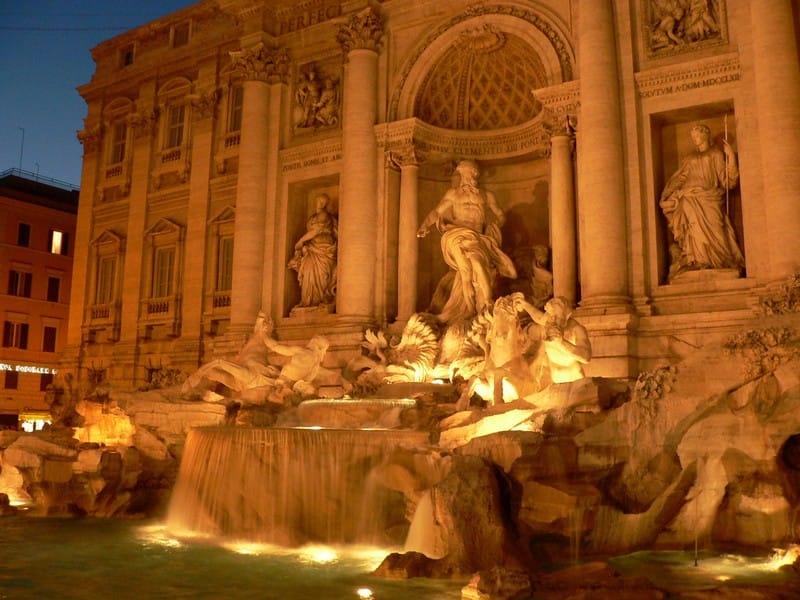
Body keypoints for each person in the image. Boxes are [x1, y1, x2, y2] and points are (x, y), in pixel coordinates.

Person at [417, 160, 517, 323]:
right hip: (457, 234)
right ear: (463, 174)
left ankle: (487, 303)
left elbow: (500, 215)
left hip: (477, 238)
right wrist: (424, 225)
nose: (473, 177)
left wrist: (496, 225)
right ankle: (471, 309)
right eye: (470, 173)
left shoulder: (486, 195)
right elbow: (436, 212)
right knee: (465, 271)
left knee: (477, 263)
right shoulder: (453, 194)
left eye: (475, 174)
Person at [659, 124, 744, 280]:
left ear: (706, 136)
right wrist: (667, 193)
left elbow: (727, 182)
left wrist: (731, 157)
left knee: (717, 231)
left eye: (698, 136)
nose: (695, 139)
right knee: (693, 231)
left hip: (710, 198)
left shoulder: (716, 154)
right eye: (693, 137)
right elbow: (680, 178)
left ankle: (721, 262)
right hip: (689, 198)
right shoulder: (689, 158)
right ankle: (697, 260)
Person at [513, 293, 591, 384]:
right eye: (550, 316)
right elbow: (538, 317)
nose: (551, 320)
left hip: (573, 378)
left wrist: (561, 342)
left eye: (555, 317)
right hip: (554, 378)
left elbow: (586, 356)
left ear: (566, 316)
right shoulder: (549, 322)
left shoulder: (576, 329)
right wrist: (524, 304)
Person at [288, 194, 338, 309]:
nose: (321, 203)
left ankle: (319, 299)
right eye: (320, 201)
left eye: (323, 202)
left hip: (324, 248)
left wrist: (300, 241)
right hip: (312, 248)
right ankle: (308, 301)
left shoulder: (324, 215)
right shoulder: (313, 217)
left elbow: (316, 231)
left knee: (322, 275)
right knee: (308, 272)